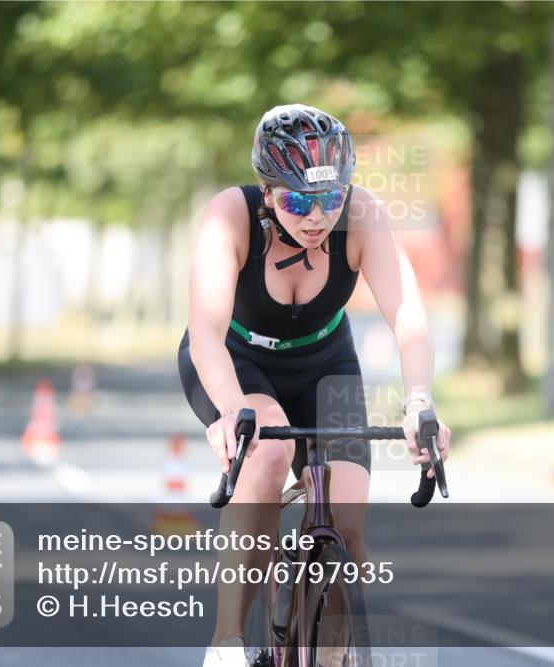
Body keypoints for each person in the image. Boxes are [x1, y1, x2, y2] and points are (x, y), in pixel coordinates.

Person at [178, 104, 451, 667]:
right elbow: (205, 334)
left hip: (327, 362)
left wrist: (420, 403)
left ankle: (324, 655)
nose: (318, 216)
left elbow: (410, 318)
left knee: (347, 528)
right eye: (300, 200)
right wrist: (232, 413)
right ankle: (227, 639)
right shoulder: (229, 216)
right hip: (236, 360)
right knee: (267, 455)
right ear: (268, 191)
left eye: (331, 199)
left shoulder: (362, 215)